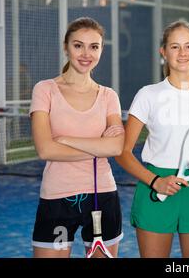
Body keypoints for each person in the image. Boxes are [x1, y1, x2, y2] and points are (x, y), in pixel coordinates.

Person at [115, 20, 189, 258]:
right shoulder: (148, 95)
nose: (182, 53)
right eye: (174, 47)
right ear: (163, 52)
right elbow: (122, 152)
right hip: (156, 188)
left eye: (188, 46)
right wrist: (156, 181)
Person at [30, 17, 125, 258]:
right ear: (66, 47)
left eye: (94, 46)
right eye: (78, 45)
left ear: (101, 49)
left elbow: (116, 147)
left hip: (102, 197)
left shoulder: (108, 96)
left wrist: (65, 140)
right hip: (56, 197)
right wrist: (99, 146)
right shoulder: (45, 89)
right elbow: (45, 150)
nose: (86, 53)